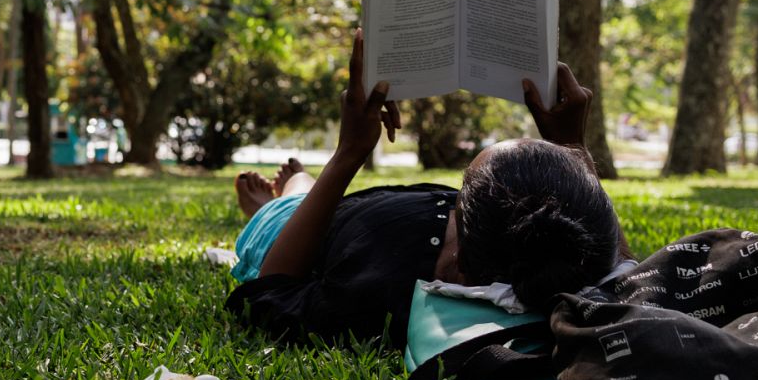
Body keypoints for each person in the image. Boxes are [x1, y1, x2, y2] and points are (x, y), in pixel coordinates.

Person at [226, 30, 628, 346]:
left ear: (464, 253)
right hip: (379, 208)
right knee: (301, 184)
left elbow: (268, 293)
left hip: (305, 232)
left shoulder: (378, 293)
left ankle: (272, 203)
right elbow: (622, 264)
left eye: (464, 188)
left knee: (297, 190)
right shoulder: (576, 259)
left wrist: (348, 154)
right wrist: (572, 145)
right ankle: (297, 188)